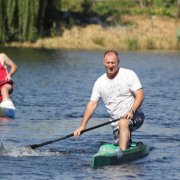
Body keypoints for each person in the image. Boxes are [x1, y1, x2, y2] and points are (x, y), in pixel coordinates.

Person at [74, 50, 145, 151]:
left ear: (118, 62)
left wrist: (132, 111)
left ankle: (122, 154)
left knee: (123, 123)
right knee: (120, 135)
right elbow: (92, 104)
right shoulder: (99, 83)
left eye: (113, 63)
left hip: (136, 116)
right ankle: (127, 143)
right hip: (116, 123)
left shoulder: (129, 74)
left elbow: (140, 95)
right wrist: (82, 126)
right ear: (104, 63)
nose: (110, 66)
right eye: (108, 63)